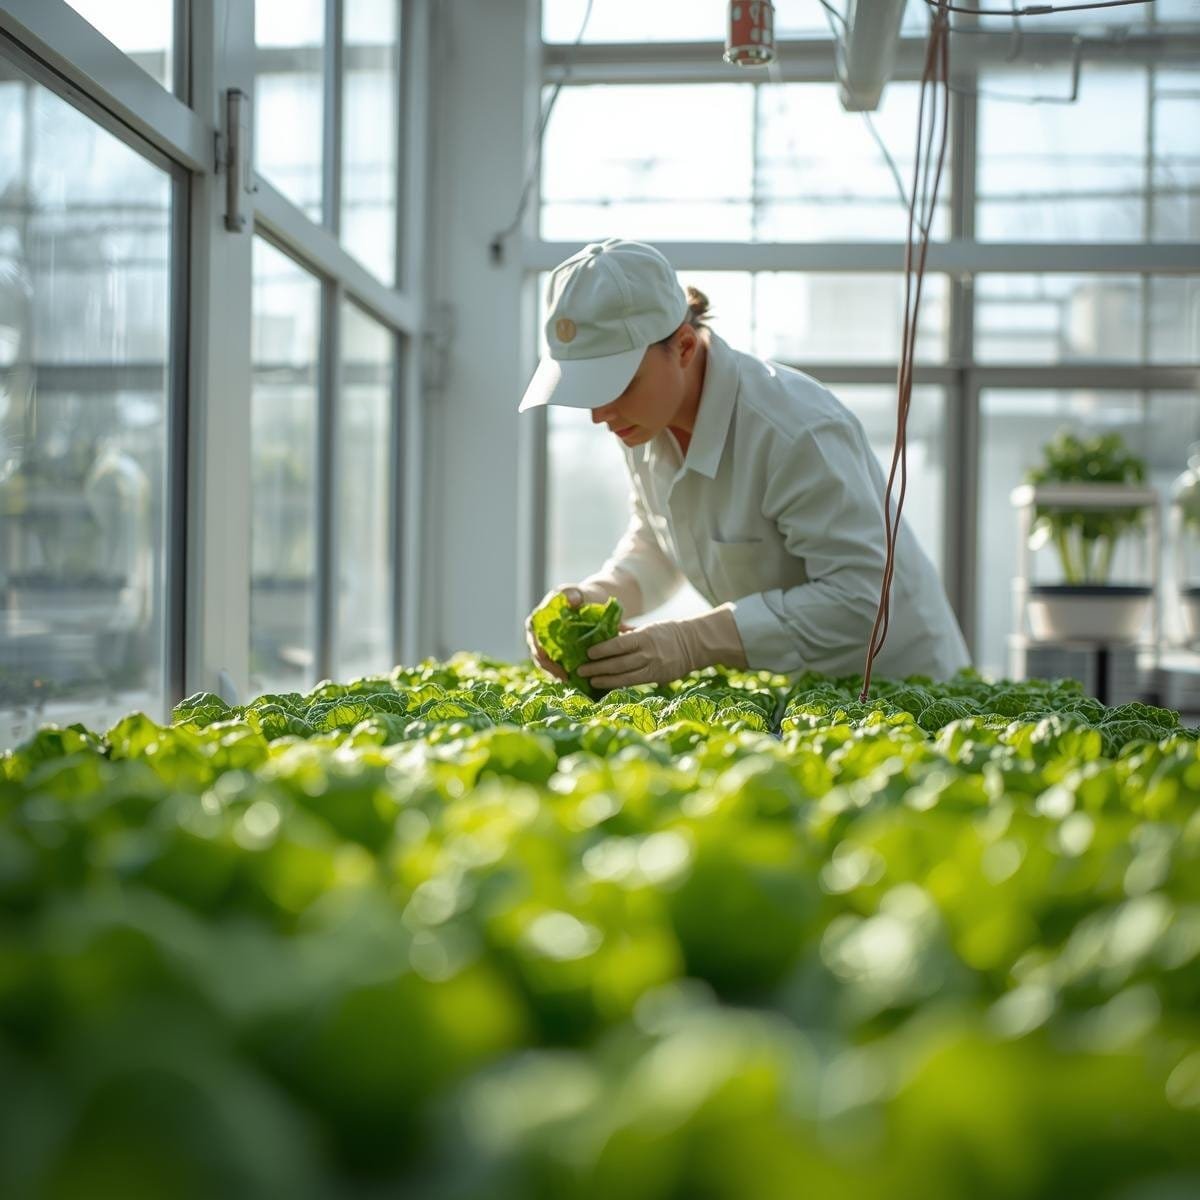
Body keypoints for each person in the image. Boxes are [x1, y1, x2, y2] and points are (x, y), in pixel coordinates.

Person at [521, 238, 969, 691]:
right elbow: (660, 541)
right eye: (589, 390)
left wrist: (692, 642)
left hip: (906, 687)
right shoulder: (641, 422)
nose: (599, 413)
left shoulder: (794, 430)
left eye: (618, 384)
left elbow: (863, 601)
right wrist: (594, 596)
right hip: (807, 690)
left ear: (683, 347)